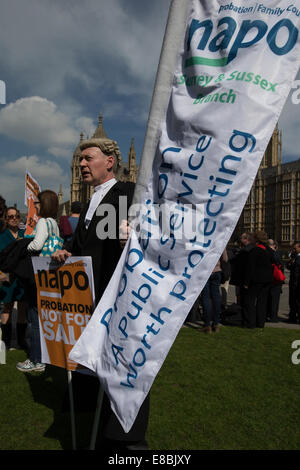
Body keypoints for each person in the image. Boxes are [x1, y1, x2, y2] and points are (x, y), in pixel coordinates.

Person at [51, 137, 149, 451]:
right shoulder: (91, 200)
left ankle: (129, 441)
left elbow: (155, 236)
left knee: (125, 370)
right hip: (91, 302)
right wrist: (66, 253)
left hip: (120, 302)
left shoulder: (130, 193)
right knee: (98, 366)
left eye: (87, 158)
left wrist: (136, 239)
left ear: (110, 161)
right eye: (79, 160)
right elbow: (84, 247)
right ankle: (99, 425)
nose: (81, 164)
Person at [16, 190, 61, 372]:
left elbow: (38, 244)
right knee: (44, 318)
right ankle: (45, 357)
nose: (34, 205)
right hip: (49, 274)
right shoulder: (54, 223)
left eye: (37, 203)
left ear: (45, 204)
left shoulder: (43, 222)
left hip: (38, 274)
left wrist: (24, 242)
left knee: (34, 318)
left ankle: (36, 360)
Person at [0, 207, 27, 351]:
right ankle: (6, 341)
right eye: (10, 217)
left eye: (16, 216)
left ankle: (22, 341)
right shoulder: (2, 236)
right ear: (6, 219)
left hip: (22, 278)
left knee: (22, 308)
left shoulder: (25, 233)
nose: (14, 218)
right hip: (8, 278)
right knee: (7, 308)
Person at [242, 230, 274, 328]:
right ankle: (260, 322)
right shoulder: (269, 250)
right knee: (262, 302)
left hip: (256, 280)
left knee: (250, 301)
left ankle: (250, 323)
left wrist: (246, 282)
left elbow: (250, 268)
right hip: (267, 279)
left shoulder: (255, 251)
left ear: (256, 239)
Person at [199, 249, 228, 333]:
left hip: (204, 270)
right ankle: (216, 324)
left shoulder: (201, 241)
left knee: (205, 297)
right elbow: (225, 258)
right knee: (216, 297)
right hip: (217, 270)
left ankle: (207, 325)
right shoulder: (219, 239)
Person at [266, 239, 284, 323]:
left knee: (270, 299)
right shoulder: (276, 254)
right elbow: (281, 266)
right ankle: (273, 316)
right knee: (274, 300)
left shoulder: (268, 253)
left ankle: (270, 315)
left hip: (271, 279)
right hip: (275, 279)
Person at [286, 241, 300, 324]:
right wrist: (291, 260)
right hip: (293, 283)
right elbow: (289, 267)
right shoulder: (295, 257)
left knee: (297, 302)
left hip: (297, 283)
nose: (293, 250)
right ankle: (292, 318)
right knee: (292, 302)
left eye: (295, 248)